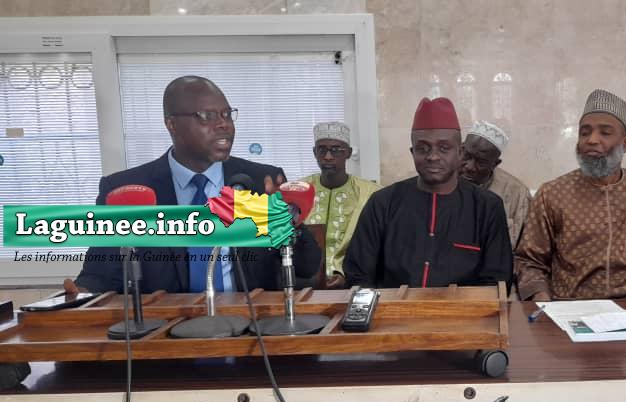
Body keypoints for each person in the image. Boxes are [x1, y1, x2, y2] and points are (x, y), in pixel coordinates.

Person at [74, 76, 321, 293]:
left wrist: (286, 222)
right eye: (207, 116)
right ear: (171, 124)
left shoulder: (259, 181)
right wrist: (78, 295)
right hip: (164, 324)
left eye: (227, 114)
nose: (224, 124)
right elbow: (100, 275)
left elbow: (307, 267)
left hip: (250, 323)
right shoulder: (127, 192)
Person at [515, 89, 626, 301]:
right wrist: (542, 299)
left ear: (625, 143)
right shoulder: (552, 194)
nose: (592, 140)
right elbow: (529, 261)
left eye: (605, 133)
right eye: (585, 132)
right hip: (571, 308)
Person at [344, 97, 512, 288]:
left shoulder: (487, 207)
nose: (433, 157)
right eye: (423, 148)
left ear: (460, 152)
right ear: (412, 152)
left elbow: (496, 283)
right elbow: (358, 276)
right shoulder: (383, 203)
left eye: (444, 148)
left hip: (465, 308)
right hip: (392, 307)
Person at [299, 121, 380, 288]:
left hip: (354, 283)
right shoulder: (299, 191)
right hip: (306, 284)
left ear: (348, 153)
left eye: (336, 150)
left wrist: (347, 275)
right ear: (314, 153)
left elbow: (375, 247)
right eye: (322, 150)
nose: (328, 156)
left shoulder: (371, 193)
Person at [460, 120, 532, 248]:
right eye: (467, 156)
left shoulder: (517, 194)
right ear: (461, 149)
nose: (470, 167)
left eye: (480, 162)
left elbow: (526, 250)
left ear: (495, 164)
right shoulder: (439, 181)